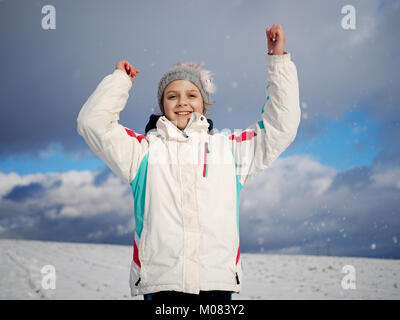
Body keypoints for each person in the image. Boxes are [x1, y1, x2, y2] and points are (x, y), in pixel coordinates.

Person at [77, 24, 301, 301]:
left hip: (216, 284)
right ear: (162, 104)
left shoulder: (229, 149)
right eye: (172, 95)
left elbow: (281, 126)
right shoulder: (143, 153)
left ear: (205, 103)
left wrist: (278, 62)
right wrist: (119, 82)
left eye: (192, 94)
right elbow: (92, 123)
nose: (182, 102)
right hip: (161, 286)